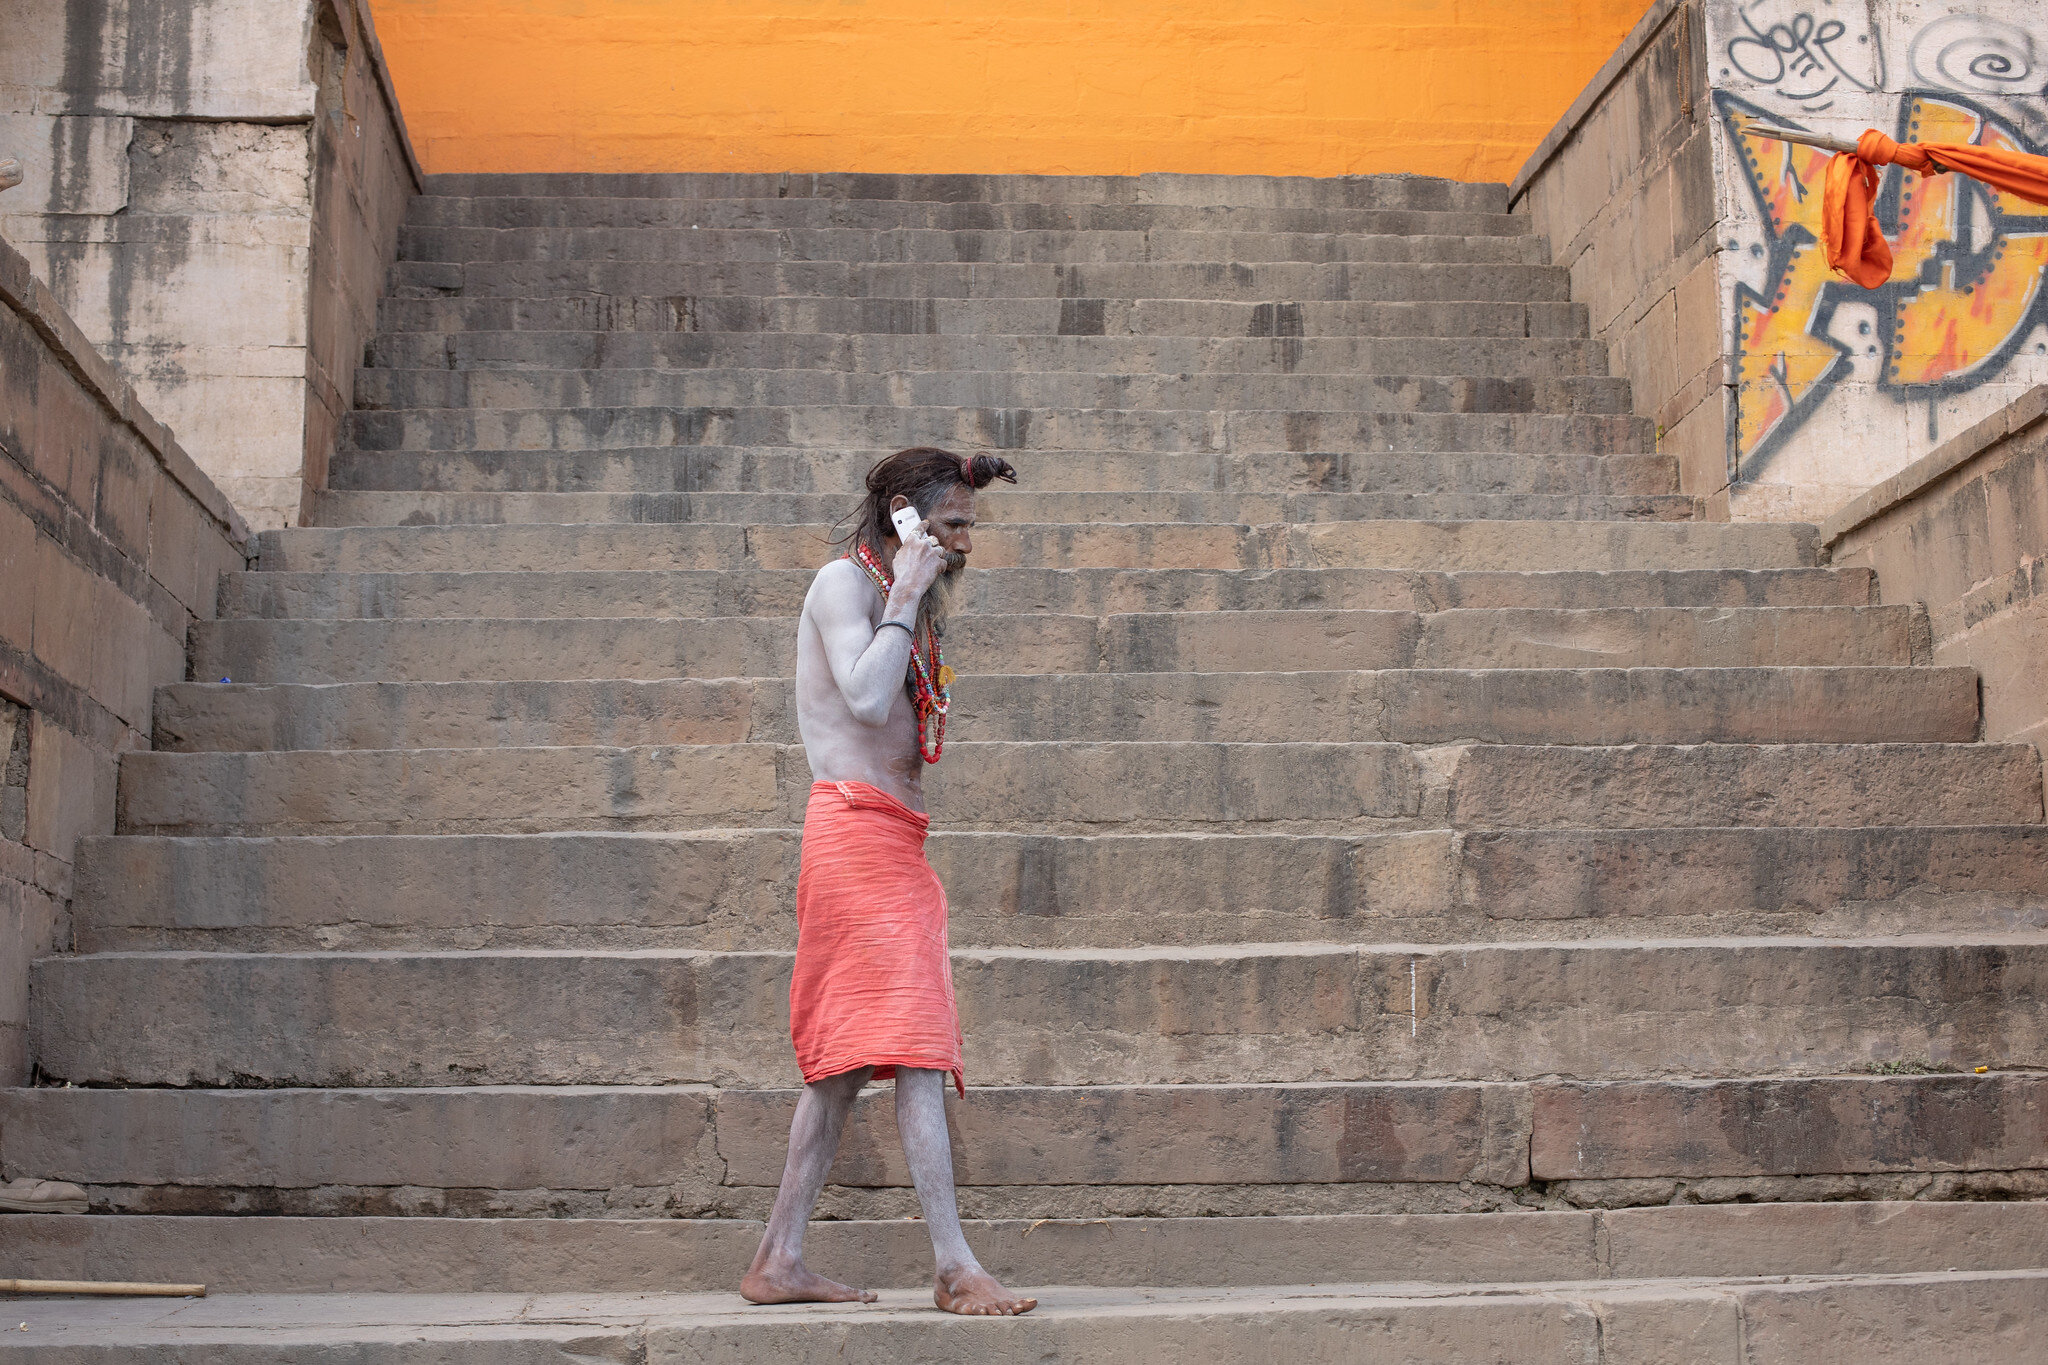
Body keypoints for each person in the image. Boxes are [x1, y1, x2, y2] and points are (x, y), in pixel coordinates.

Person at [739, 446, 1037, 1317]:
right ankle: (954, 1264)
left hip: (893, 841)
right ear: (904, 516)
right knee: (916, 1045)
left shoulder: (901, 597)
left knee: (843, 1068)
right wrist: (904, 593)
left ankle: (779, 1256)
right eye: (951, 526)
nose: (964, 547)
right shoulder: (845, 587)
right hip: (854, 832)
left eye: (968, 528)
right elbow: (868, 701)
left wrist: (913, 594)